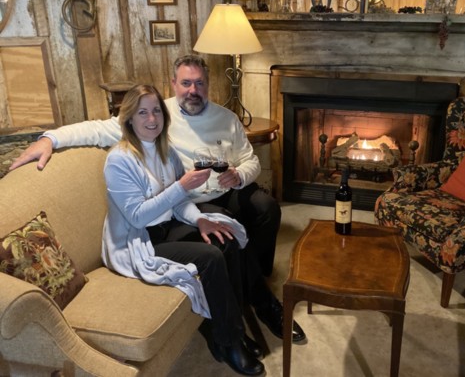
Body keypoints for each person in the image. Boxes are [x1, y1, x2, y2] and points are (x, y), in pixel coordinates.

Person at [10, 54, 306, 343]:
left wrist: (239, 175)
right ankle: (261, 303)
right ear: (173, 83)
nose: (193, 90)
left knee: (267, 208)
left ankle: (258, 277)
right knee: (223, 235)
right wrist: (49, 139)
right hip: (189, 197)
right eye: (186, 83)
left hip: (225, 186)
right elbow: (97, 129)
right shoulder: (155, 114)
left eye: (200, 83)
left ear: (208, 84)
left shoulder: (226, 118)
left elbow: (250, 159)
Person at [103, 84, 263, 376]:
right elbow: (138, 217)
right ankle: (226, 342)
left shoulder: (166, 151)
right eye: (142, 112)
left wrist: (201, 220)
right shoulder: (119, 160)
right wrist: (180, 186)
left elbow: (179, 203)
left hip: (168, 226)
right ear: (128, 119)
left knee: (224, 238)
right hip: (141, 240)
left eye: (156, 111)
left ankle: (233, 328)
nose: (151, 119)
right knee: (210, 258)